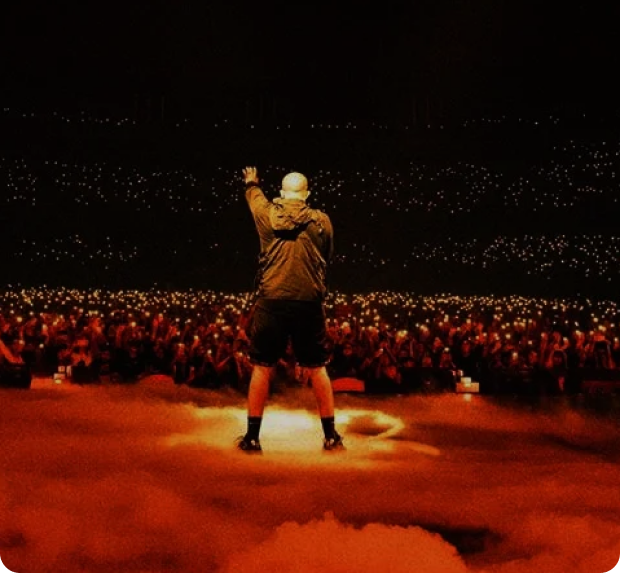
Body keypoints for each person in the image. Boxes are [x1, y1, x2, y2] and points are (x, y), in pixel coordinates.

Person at [236, 166, 344, 453]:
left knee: (262, 368)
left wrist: (251, 182)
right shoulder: (321, 221)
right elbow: (327, 255)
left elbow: (255, 198)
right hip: (308, 302)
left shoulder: (266, 215)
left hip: (272, 300)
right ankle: (331, 436)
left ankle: (252, 438)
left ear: (282, 194)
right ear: (307, 195)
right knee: (317, 368)